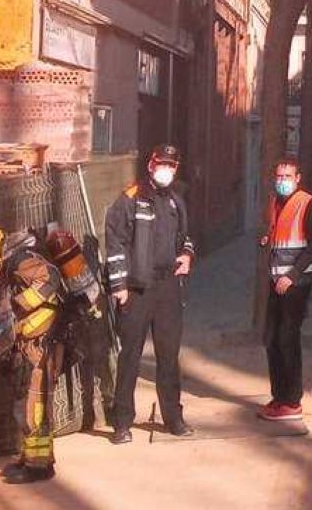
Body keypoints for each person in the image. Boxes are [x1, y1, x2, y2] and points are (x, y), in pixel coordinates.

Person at [105, 144, 196, 444]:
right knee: (130, 356)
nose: (166, 170)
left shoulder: (176, 202)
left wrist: (186, 255)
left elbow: (186, 238)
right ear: (150, 164)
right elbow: (115, 243)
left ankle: (174, 418)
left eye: (171, 165)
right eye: (161, 164)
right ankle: (121, 422)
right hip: (136, 290)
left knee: (169, 356)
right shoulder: (130, 199)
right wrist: (118, 287)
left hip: (168, 287)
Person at [0, 228, 66, 484]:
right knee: (28, 405)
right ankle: (30, 457)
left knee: (36, 408)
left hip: (43, 345)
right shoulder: (12, 264)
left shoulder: (19, 261)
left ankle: (39, 467)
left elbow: (50, 278)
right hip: (33, 344)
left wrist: (20, 304)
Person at [257, 158, 312, 422]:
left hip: (297, 284)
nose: (282, 181)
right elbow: (281, 234)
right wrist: (267, 239)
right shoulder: (276, 202)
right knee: (271, 338)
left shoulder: (309, 204)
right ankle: (279, 396)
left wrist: (293, 276)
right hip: (277, 281)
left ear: (298, 178)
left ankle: (292, 400)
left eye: (287, 176)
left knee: (287, 338)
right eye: (279, 176)